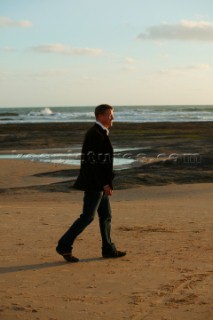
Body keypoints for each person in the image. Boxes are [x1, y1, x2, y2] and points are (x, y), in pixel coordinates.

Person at [56, 104, 126, 262]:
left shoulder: (99, 132)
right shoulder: (95, 134)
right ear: (101, 116)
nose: (113, 118)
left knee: (106, 216)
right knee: (87, 217)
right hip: (95, 184)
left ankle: (108, 249)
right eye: (110, 115)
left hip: (99, 183)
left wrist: (106, 182)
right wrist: (105, 184)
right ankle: (63, 246)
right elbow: (94, 163)